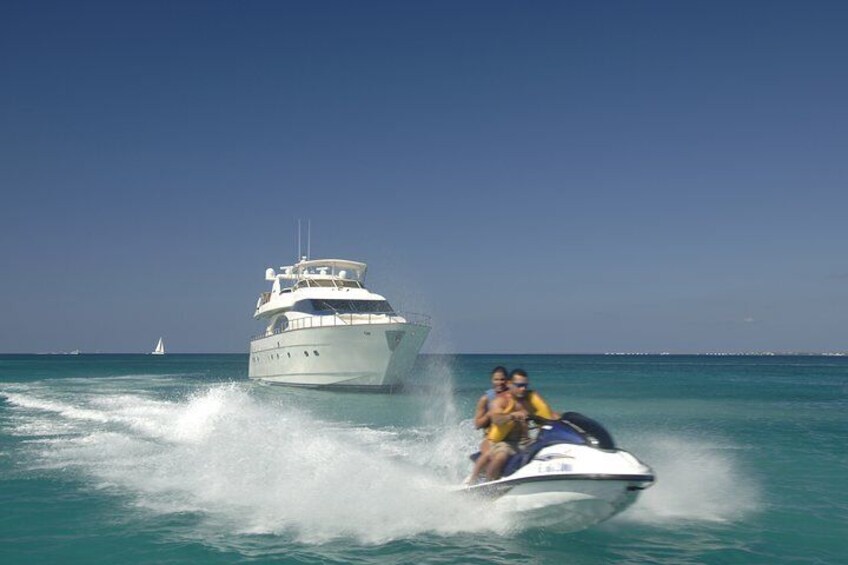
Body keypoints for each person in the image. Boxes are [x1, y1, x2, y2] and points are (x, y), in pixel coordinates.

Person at [485, 369, 559, 481]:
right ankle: (487, 487)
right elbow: (496, 419)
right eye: (519, 385)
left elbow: (547, 414)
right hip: (505, 442)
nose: (523, 389)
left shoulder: (529, 400)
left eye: (525, 385)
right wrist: (512, 415)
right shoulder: (500, 400)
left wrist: (562, 419)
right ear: (510, 384)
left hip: (525, 442)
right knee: (501, 456)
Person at [465, 366, 508, 484]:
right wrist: (490, 414)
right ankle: (474, 481)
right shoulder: (486, 399)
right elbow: (477, 424)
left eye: (502, 379)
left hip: (509, 438)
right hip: (490, 438)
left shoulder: (511, 396)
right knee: (490, 454)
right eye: (496, 380)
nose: (500, 383)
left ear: (507, 380)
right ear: (492, 381)